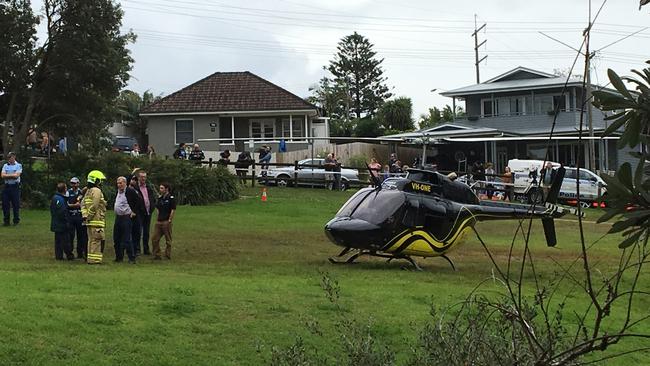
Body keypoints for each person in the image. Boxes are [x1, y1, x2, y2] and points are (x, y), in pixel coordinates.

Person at [81, 170, 107, 264]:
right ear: (96, 180)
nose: (101, 183)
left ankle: (90, 259)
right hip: (96, 220)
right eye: (100, 180)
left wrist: (85, 216)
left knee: (91, 240)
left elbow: (82, 205)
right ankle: (95, 260)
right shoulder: (97, 191)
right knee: (97, 240)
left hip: (90, 222)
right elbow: (95, 205)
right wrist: (89, 216)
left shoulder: (88, 192)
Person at [113, 176, 138, 264]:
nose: (119, 185)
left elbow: (138, 201)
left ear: (125, 183)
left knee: (127, 239)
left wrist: (134, 211)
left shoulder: (130, 191)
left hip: (126, 216)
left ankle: (131, 258)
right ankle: (119, 257)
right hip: (118, 217)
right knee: (116, 238)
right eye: (118, 183)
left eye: (121, 183)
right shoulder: (118, 192)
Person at [132, 169, 155, 256]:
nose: (143, 179)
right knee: (138, 231)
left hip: (148, 212)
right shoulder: (135, 188)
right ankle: (137, 249)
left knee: (146, 232)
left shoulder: (148, 188)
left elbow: (152, 198)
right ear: (138, 178)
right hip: (139, 213)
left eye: (145, 177)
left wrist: (152, 206)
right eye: (141, 177)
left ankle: (146, 249)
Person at [151, 182, 176, 260]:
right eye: (160, 188)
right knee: (154, 238)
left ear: (166, 189)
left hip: (166, 221)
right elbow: (157, 208)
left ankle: (167, 254)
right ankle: (157, 254)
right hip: (159, 221)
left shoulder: (171, 198)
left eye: (162, 188)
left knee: (168, 239)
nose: (160, 189)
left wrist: (170, 220)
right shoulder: (160, 198)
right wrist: (157, 218)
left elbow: (173, 209)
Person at [51, 182, 74, 260]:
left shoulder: (55, 197)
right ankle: (69, 255)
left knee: (58, 241)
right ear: (64, 189)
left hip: (56, 223)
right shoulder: (60, 199)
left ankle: (59, 256)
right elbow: (62, 212)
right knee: (66, 241)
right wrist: (67, 221)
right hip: (62, 224)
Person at [67, 177, 87, 259]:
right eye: (72, 183)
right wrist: (74, 205)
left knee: (81, 236)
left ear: (78, 183)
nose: (74, 185)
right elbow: (67, 205)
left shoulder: (81, 192)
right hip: (71, 217)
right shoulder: (68, 192)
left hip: (80, 217)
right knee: (70, 235)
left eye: (75, 183)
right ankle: (70, 252)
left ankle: (80, 252)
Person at [2, 152, 22, 226]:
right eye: (9, 157)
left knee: (15, 204)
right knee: (5, 204)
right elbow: (2, 175)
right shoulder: (5, 165)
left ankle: (16, 221)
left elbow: (17, 176)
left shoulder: (18, 165)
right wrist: (12, 175)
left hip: (15, 187)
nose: (10, 158)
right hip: (7, 186)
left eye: (11, 157)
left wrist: (7, 175)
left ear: (14, 157)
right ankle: (6, 221)